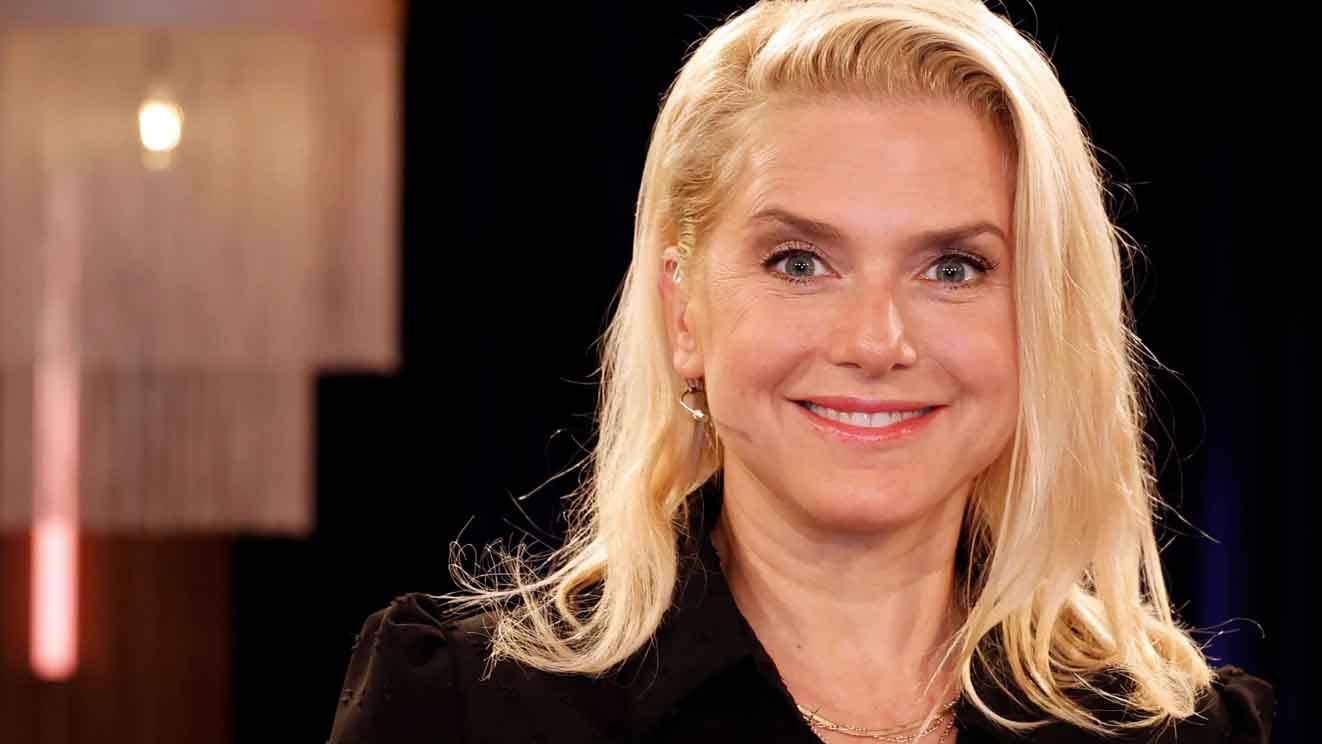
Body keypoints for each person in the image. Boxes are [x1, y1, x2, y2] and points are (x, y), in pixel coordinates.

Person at [327, 1, 1274, 742]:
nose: (876, 340)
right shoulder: (462, 708)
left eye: (953, 268)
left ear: (1043, 324)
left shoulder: (1182, 731)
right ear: (684, 313)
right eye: (799, 262)